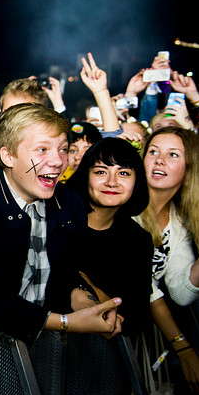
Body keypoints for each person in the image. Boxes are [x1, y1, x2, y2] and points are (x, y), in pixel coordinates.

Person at [0, 104, 124, 345]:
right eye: (42, 149)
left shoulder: (70, 203)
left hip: (45, 352)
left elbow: (67, 272)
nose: (58, 161)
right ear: (7, 156)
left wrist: (86, 303)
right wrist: (64, 323)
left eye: (62, 149)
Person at [133, 126, 199, 395]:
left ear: (189, 168)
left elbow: (181, 293)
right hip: (105, 339)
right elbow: (143, 288)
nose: (159, 160)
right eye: (153, 152)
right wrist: (183, 347)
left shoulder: (178, 220)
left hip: (143, 337)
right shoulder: (125, 208)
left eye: (172, 154)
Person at [65, 138, 153, 336]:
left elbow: (137, 317)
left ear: (137, 181)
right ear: (85, 176)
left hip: (107, 354)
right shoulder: (61, 222)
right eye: (100, 172)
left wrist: (96, 293)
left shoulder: (138, 239)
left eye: (123, 173)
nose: (111, 182)